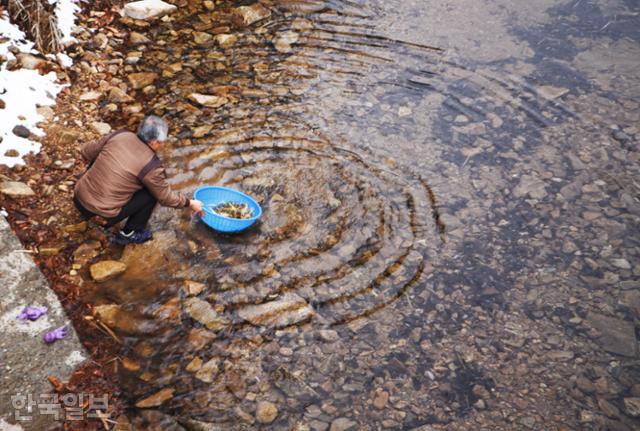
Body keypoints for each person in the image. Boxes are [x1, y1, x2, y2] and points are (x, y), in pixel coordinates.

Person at [73, 115, 203, 245]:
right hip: (101, 216)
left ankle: (89, 204)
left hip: (78, 198)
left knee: (102, 155)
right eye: (161, 142)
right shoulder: (152, 165)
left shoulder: (120, 135)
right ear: (154, 142)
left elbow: (87, 151)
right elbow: (166, 198)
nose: (162, 144)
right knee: (151, 193)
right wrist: (189, 203)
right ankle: (130, 233)